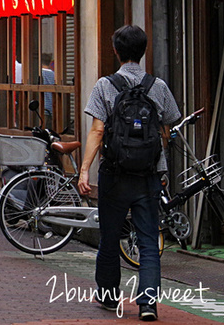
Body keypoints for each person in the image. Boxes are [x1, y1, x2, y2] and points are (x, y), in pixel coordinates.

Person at [77, 25, 180, 321]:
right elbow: (167, 126)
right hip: (148, 175)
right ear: (143, 50)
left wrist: (85, 170)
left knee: (110, 237)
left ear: (116, 51)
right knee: (149, 239)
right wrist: (159, 166)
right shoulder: (157, 85)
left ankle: (109, 296)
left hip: (114, 174)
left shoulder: (105, 85)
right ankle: (148, 304)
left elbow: (97, 131)